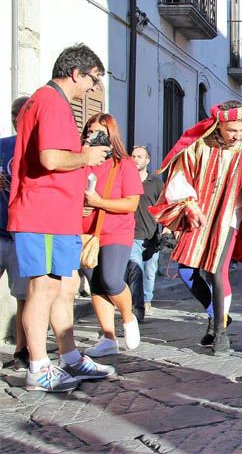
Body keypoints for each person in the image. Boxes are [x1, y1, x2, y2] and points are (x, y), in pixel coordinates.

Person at [8, 44, 115, 392]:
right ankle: (38, 367)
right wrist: (87, 156)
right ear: (76, 73)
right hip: (45, 212)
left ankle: (69, 358)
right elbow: (51, 159)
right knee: (44, 288)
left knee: (65, 287)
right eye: (93, 79)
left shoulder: (47, 101)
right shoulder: (52, 102)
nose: (93, 88)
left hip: (55, 213)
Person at [150, 101, 242, 356]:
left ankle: (221, 333)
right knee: (186, 271)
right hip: (199, 215)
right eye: (231, 129)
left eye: (241, 128)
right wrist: (190, 205)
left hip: (229, 219)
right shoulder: (199, 145)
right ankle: (217, 314)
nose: (237, 134)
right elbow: (180, 175)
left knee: (216, 271)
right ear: (219, 125)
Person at [80, 114, 144, 357]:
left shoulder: (124, 164)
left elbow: (131, 203)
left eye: (97, 132)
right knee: (95, 284)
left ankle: (128, 318)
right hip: (85, 232)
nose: (92, 136)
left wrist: (99, 202)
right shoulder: (81, 163)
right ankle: (108, 337)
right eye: (89, 132)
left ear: (110, 136)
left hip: (116, 230)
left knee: (111, 280)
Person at [1, 97, 30, 370]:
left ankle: (22, 352)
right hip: (0, 230)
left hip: (22, 234)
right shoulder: (2, 146)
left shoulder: (39, 149)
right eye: (12, 113)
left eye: (20, 113)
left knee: (24, 296)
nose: (15, 117)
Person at [129, 146, 164, 320]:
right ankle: (138, 307)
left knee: (150, 272)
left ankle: (147, 300)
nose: (135, 159)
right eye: (133, 156)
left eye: (139, 156)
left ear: (147, 161)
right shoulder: (126, 181)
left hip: (151, 236)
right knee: (136, 270)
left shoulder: (156, 183)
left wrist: (165, 232)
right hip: (131, 234)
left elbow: (164, 209)